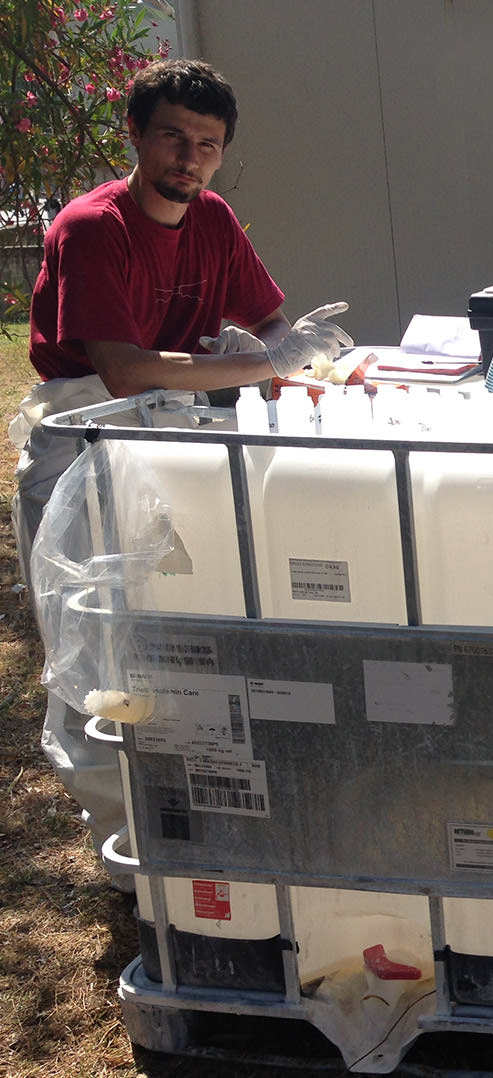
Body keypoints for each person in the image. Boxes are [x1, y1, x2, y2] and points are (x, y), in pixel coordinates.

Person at [8, 58, 351, 879]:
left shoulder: (214, 221)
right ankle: (132, 852)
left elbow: (269, 321)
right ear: (135, 133)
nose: (189, 158)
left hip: (173, 445)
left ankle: (208, 819)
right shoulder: (95, 228)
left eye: (207, 144)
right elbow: (122, 370)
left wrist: (315, 360)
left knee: (188, 631)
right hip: (84, 446)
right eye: (172, 137)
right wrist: (266, 366)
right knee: (94, 652)